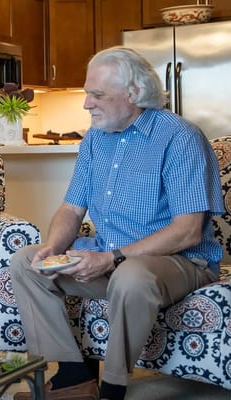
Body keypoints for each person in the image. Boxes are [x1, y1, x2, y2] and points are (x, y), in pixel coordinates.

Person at [11, 47, 222, 400]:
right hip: (111, 258)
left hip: (181, 262)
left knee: (131, 274)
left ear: (134, 94)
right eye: (86, 93)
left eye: (97, 95)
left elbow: (187, 230)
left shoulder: (180, 137)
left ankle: (112, 389)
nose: (86, 104)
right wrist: (52, 248)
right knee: (26, 263)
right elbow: (71, 209)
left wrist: (113, 259)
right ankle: (73, 379)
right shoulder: (95, 138)